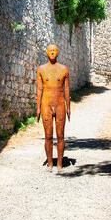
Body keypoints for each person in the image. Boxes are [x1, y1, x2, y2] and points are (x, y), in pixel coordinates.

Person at [36, 44, 71, 173]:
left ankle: (60, 163)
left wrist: (68, 107)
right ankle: (50, 163)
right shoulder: (41, 69)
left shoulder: (64, 69)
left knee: (60, 135)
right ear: (46, 53)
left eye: (54, 50)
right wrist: (38, 107)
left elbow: (66, 89)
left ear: (58, 53)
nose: (52, 52)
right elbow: (39, 89)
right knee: (48, 135)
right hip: (46, 104)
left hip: (60, 103)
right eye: (50, 50)